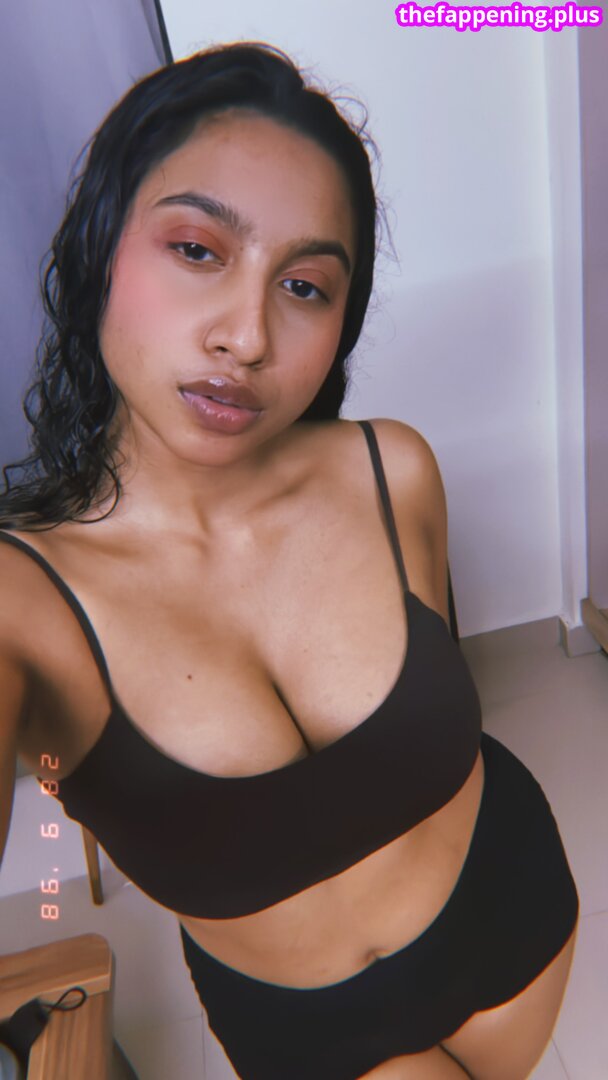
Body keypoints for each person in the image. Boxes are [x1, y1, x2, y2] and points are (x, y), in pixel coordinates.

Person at [0, 42, 578, 1080]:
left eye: (305, 286)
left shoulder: (391, 470)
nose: (248, 336)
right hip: (315, 1037)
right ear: (99, 246)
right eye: (196, 250)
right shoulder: (20, 603)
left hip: (517, 919)